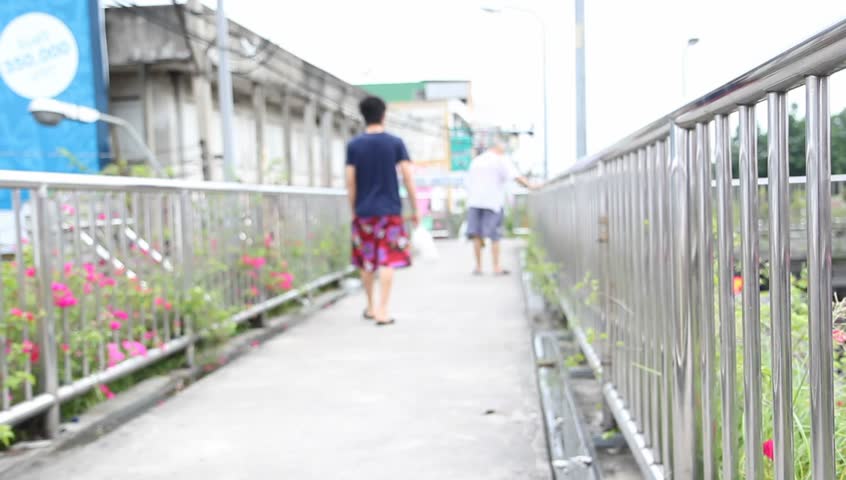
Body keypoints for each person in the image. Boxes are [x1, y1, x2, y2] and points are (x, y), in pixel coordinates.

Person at [345, 96, 419, 326]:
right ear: (383, 114)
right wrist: (415, 208)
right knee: (387, 260)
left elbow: (350, 180)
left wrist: (353, 208)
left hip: (364, 211)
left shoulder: (354, 145)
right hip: (390, 211)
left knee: (367, 260)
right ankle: (383, 310)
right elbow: (408, 176)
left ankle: (370, 305)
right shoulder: (395, 143)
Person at [465, 140, 536, 275]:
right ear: (499, 149)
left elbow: (468, 182)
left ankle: (478, 267)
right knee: (495, 235)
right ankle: (496, 267)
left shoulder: (476, 161)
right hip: (492, 203)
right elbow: (516, 177)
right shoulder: (501, 160)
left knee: (476, 234)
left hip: (474, 201)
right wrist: (531, 186)